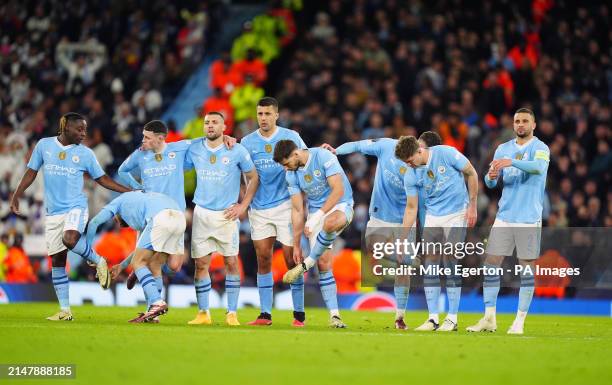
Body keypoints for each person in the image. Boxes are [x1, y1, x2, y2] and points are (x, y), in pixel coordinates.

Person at [10, 113, 132, 321]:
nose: (84, 133)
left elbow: (102, 179)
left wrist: (127, 190)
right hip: (53, 213)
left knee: (70, 239)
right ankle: (65, 311)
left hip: (76, 207)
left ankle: (98, 260)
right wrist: (17, 194)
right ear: (65, 127)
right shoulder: (44, 145)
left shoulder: (85, 154)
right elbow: (31, 172)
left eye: (85, 129)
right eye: (79, 129)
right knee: (58, 260)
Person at [467, 108, 550, 335]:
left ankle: (519, 322)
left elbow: (539, 167)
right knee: (491, 263)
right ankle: (489, 318)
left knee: (526, 269)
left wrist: (511, 162)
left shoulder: (540, 148)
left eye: (525, 121)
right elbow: (491, 182)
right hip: (504, 216)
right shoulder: (502, 149)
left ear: (534, 125)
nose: (520, 125)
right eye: (517, 121)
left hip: (528, 218)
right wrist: (491, 177)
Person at [322, 137, 419, 330]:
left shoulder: (418, 165)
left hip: (405, 218)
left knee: (403, 270)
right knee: (373, 246)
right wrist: (336, 151)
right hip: (380, 213)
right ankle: (406, 258)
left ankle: (400, 317)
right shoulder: (385, 145)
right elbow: (358, 145)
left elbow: (415, 203)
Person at [395, 135, 479, 332]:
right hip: (433, 215)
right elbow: (411, 208)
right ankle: (433, 318)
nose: (409, 165)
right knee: (430, 263)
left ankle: (452, 318)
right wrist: (401, 238)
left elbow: (471, 172)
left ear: (418, 151)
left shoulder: (446, 153)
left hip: (457, 212)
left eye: (410, 160)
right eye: (405, 163)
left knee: (450, 259)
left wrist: (473, 206)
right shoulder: (411, 173)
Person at [186, 112, 259, 326]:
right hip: (201, 213)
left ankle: (232, 313)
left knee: (231, 262)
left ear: (224, 126)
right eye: (207, 122)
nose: (210, 126)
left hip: (227, 214)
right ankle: (203, 313)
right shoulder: (194, 147)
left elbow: (253, 177)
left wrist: (243, 206)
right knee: (201, 264)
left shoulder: (236, 150)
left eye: (215, 122)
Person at [240, 97, 308, 327]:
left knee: (291, 259)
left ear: (276, 115)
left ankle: (299, 314)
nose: (263, 118)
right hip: (259, 208)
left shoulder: (291, 137)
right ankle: (265, 314)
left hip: (285, 205)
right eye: (260, 114)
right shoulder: (247, 142)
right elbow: (245, 174)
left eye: (268, 114)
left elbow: (305, 161)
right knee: (263, 257)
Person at [274, 140, 353, 328]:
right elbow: (297, 209)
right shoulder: (291, 174)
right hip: (316, 214)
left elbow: (338, 189)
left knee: (329, 222)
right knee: (324, 264)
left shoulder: (322, 156)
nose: (286, 168)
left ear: (295, 154)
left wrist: (317, 216)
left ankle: (307, 263)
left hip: (341, 205)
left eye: (286, 163)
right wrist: (296, 244)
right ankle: (335, 316)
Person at [86, 191, 186, 323]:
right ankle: (153, 315)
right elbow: (140, 251)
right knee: (154, 264)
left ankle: (156, 302)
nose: (116, 222)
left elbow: (93, 223)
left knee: (139, 262)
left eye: (115, 218)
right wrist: (121, 266)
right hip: (179, 218)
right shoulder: (139, 207)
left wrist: (89, 254)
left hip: (161, 218)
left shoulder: (118, 202)